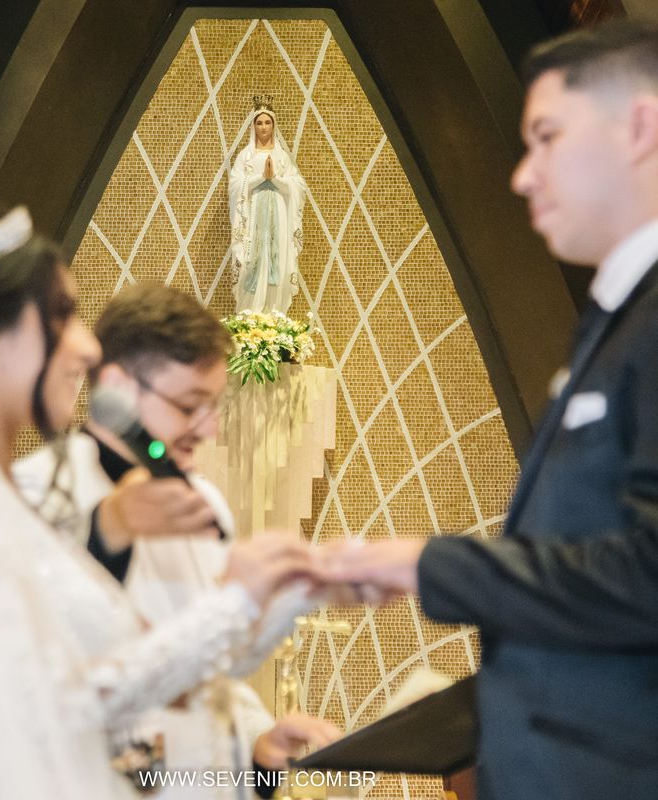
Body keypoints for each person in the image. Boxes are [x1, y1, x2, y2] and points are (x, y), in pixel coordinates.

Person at [0, 183, 325, 799]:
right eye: (61, 315)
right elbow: (55, 706)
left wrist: (278, 593)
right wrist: (237, 599)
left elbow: (156, 679)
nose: (85, 344)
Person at [326, 20, 658, 800]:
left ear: (641, 128)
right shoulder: (621, 317)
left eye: (546, 137)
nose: (522, 176)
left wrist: (421, 565)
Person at [15, 282, 340, 799]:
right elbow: (44, 677)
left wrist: (259, 751)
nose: (209, 428)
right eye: (191, 405)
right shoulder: (35, 494)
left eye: (213, 405)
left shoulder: (203, 501)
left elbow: (215, 674)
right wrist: (107, 532)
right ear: (118, 388)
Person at [229, 96, 306, 314]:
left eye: (268, 122)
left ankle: (273, 312)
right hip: (253, 217)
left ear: (274, 125)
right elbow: (235, 185)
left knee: (277, 261)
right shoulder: (246, 156)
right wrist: (259, 178)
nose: (263, 127)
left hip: (279, 217)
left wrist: (276, 179)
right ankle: (250, 314)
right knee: (252, 261)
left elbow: (298, 186)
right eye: (259, 122)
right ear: (253, 126)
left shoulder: (282, 156)